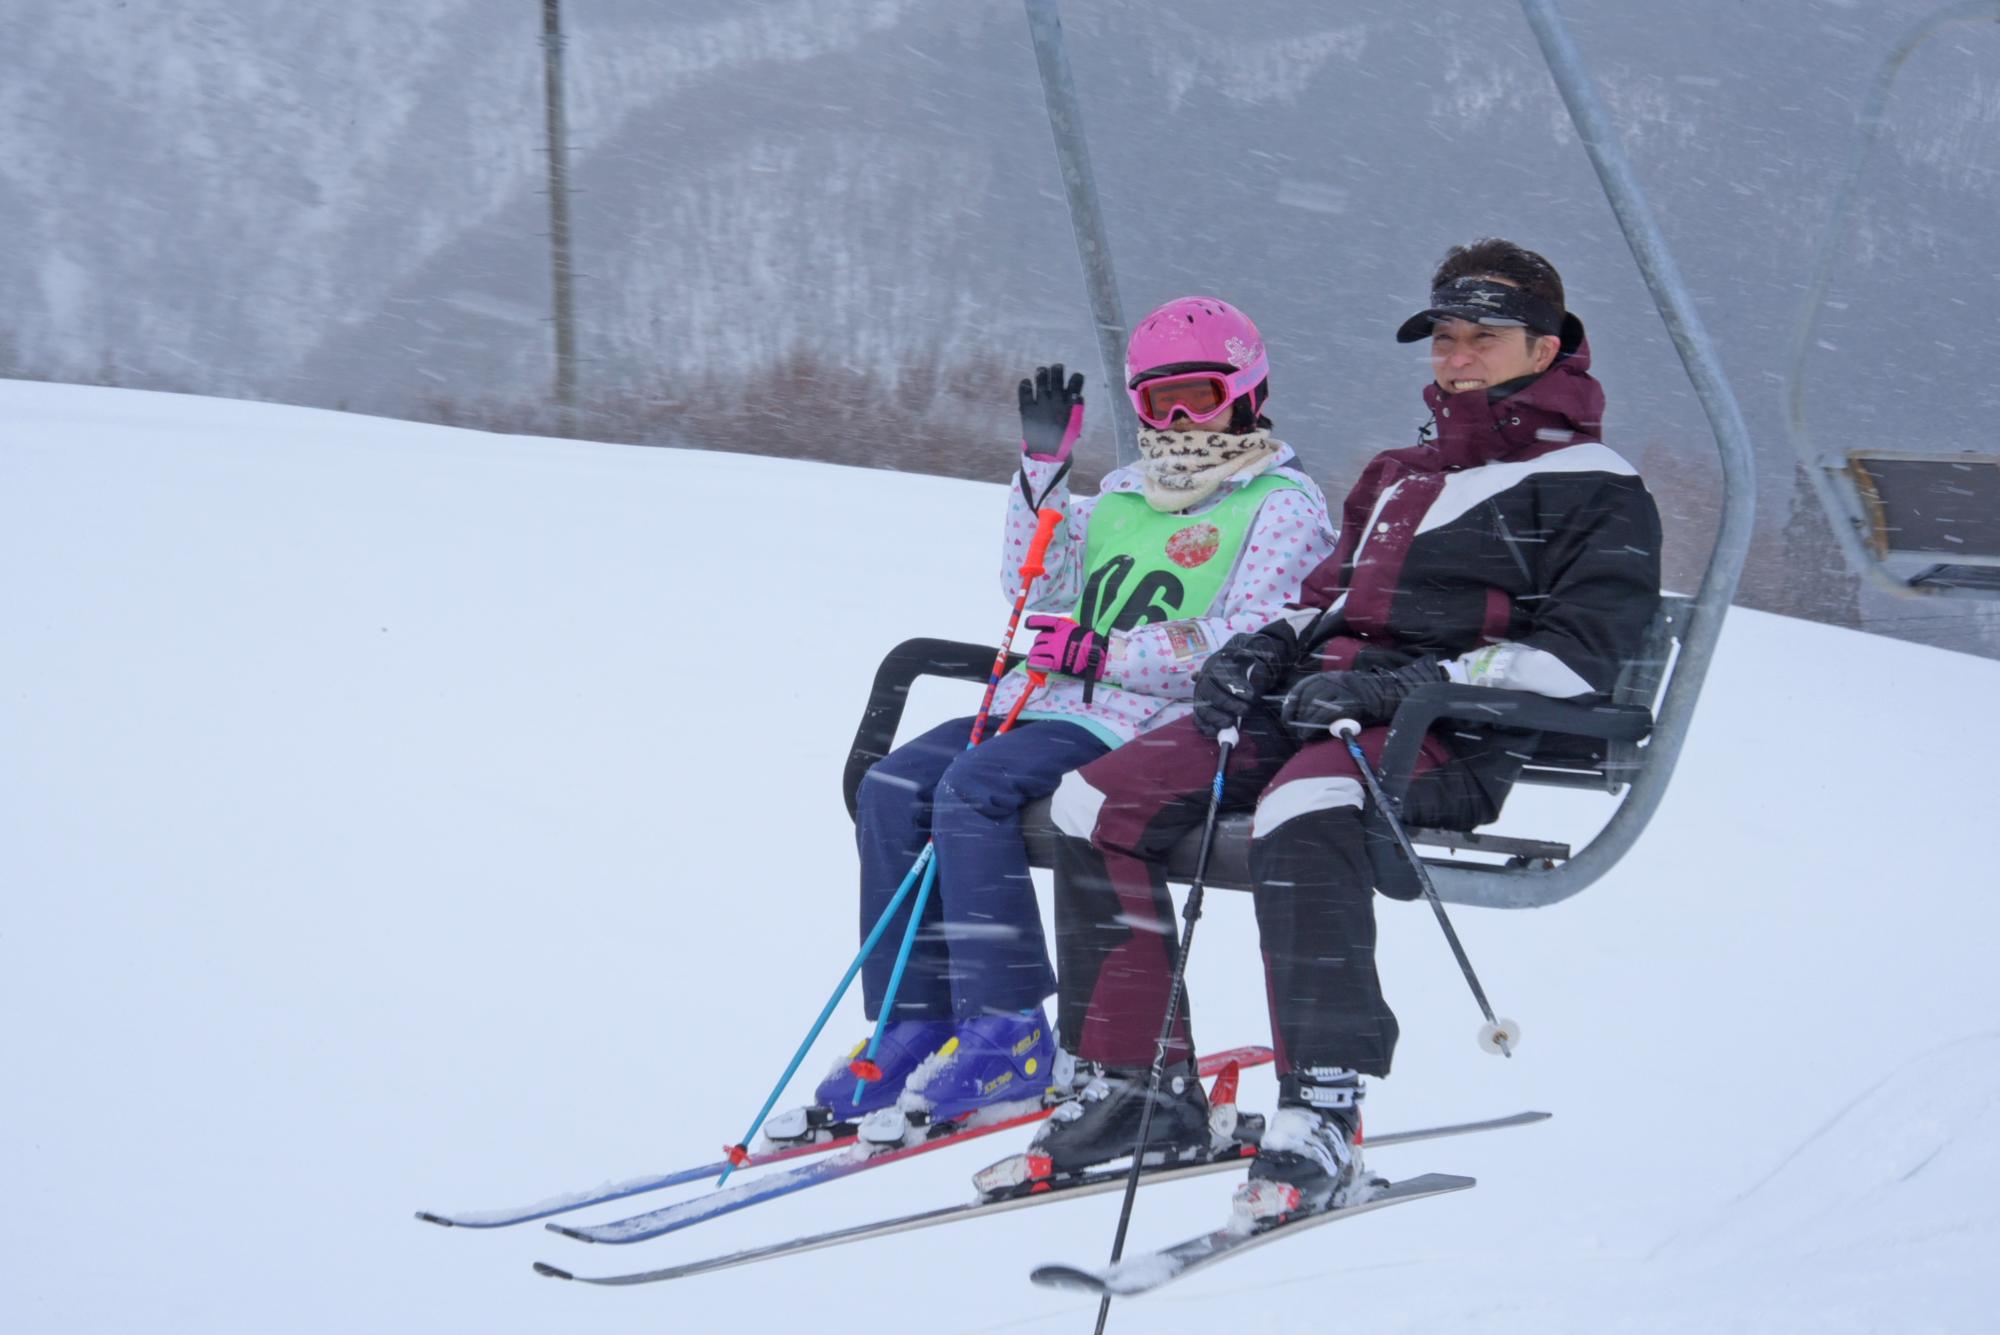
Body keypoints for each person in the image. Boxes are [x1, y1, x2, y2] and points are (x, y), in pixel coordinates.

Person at [1028, 240, 1663, 1218]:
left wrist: (1406, 686)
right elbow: (1322, 604)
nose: (1453, 357)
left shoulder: (1594, 486)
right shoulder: (1400, 473)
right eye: (1444, 337)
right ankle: (1134, 1084)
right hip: (1318, 710)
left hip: (1444, 733)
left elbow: (1575, 659)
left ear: (1544, 345)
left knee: (1305, 803)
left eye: (1479, 339)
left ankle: (1321, 1108)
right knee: (1093, 799)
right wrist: (1262, 647)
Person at [781, 298, 1337, 1142]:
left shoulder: (1279, 504)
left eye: (1201, 397)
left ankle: (1008, 1027)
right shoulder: (1121, 492)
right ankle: (916, 1020)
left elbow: (1253, 634)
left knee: (974, 790)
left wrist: (1109, 656)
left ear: (1248, 392)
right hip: (1046, 700)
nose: (1181, 421)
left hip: (1147, 719)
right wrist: (1042, 470)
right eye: (1159, 403)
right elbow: (1033, 586)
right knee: (895, 787)